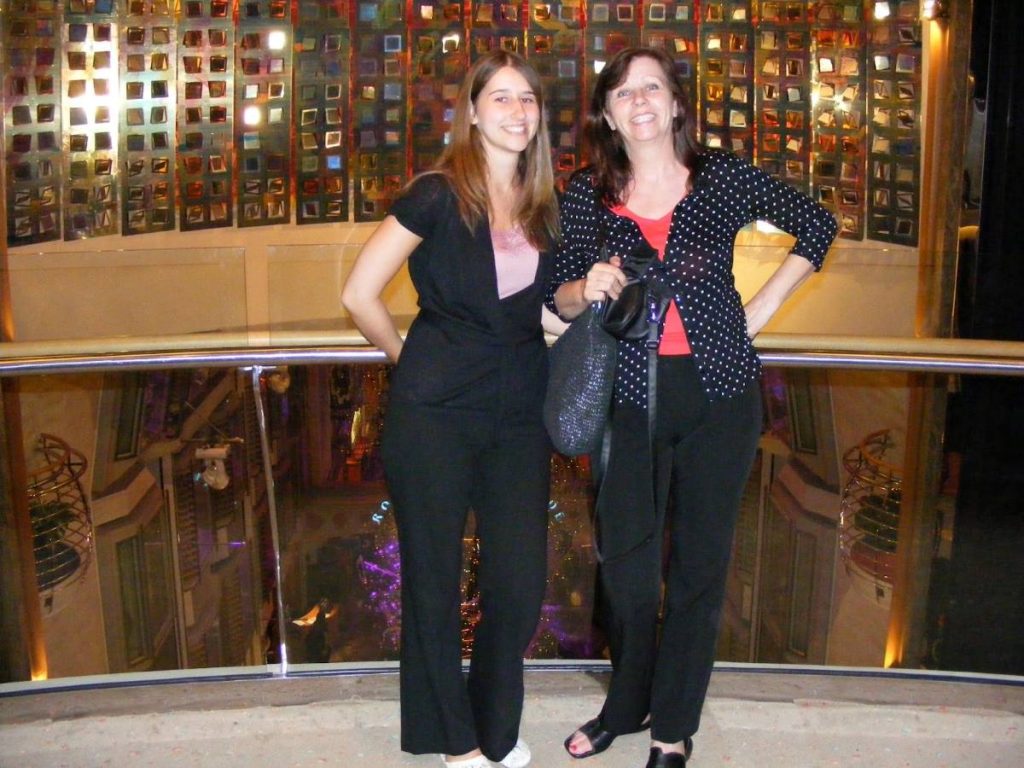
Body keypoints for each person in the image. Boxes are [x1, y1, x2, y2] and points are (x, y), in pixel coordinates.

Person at [548, 47, 838, 768]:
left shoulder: (722, 178)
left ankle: (674, 725)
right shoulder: (585, 193)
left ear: (677, 103)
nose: (639, 102)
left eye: (652, 88)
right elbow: (556, 293)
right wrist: (589, 286)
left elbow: (819, 224)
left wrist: (759, 307)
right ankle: (627, 703)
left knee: (702, 570)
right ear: (607, 115)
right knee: (627, 569)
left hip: (718, 394)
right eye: (622, 93)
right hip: (627, 400)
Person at [341, 50, 562, 768]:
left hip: (520, 412)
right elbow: (359, 295)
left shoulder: (546, 206)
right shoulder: (437, 194)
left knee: (521, 583)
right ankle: (454, 740)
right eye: (500, 98)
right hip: (434, 413)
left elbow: (540, 318)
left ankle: (496, 727)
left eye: (527, 99)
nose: (516, 111)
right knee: (432, 580)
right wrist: (409, 360)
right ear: (471, 112)